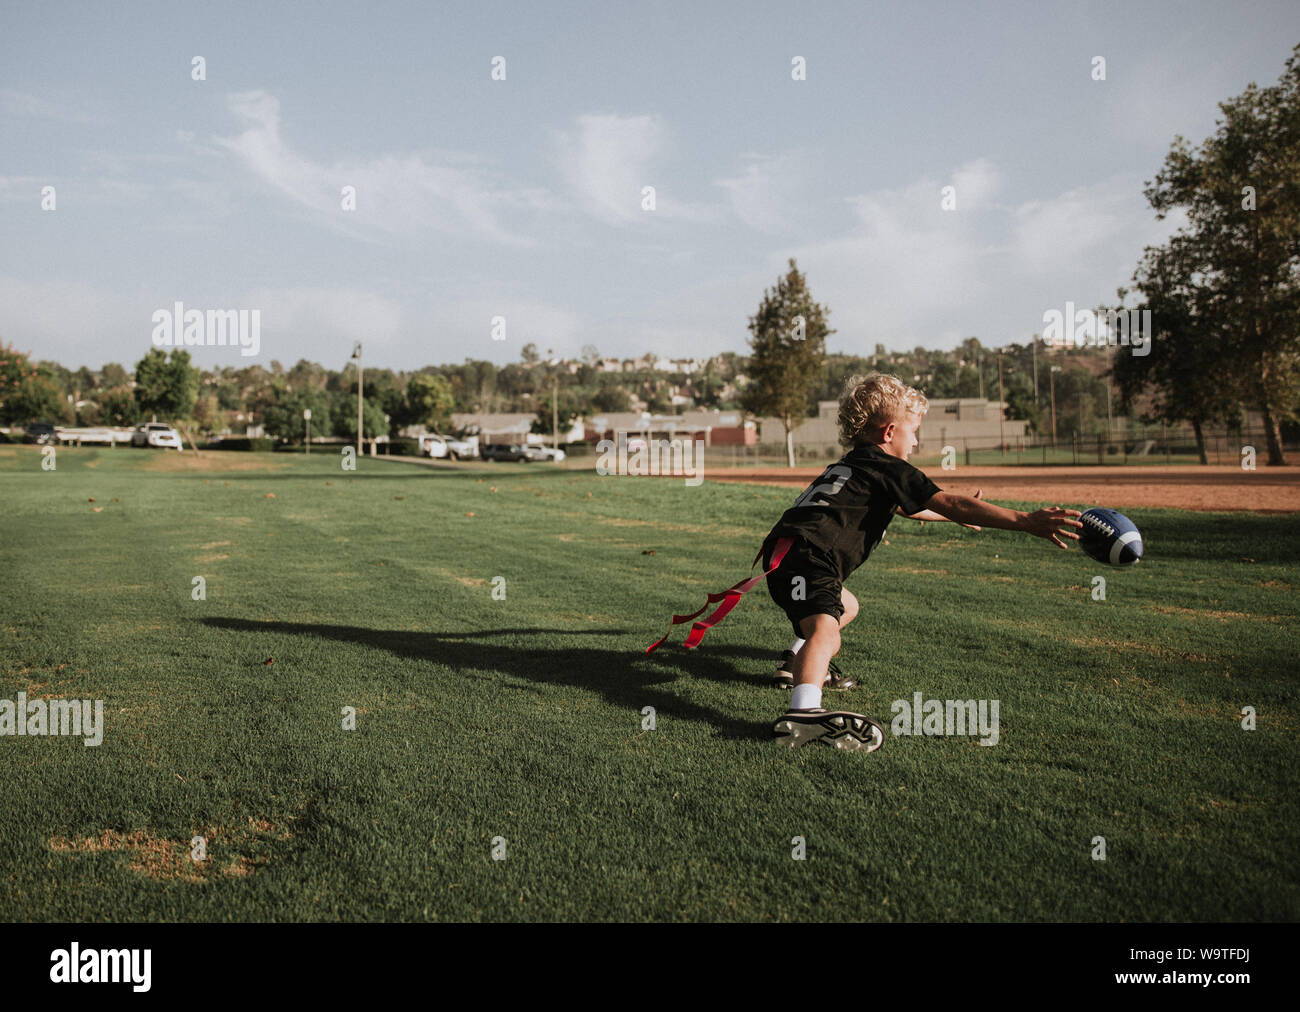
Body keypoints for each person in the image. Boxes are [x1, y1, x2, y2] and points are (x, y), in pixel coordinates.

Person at [761, 373, 1083, 751]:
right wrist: (1025, 521)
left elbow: (910, 508)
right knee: (825, 631)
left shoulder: (855, 465)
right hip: (810, 556)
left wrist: (954, 516)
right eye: (913, 432)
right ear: (890, 432)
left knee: (846, 607)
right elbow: (951, 500)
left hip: (783, 554)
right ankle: (805, 712)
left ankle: (796, 662)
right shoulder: (892, 468)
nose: (916, 441)